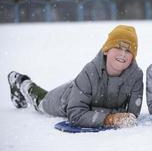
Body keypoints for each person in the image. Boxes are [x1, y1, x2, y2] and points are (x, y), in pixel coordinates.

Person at [8, 25, 143, 128]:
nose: (123, 54)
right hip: (65, 99)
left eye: (128, 51)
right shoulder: (90, 71)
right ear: (106, 50)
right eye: (118, 48)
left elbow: (131, 116)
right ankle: (20, 81)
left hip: (87, 95)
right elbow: (75, 114)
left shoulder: (136, 76)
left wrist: (102, 114)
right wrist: (110, 118)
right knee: (40, 101)